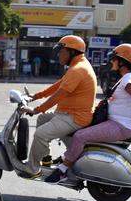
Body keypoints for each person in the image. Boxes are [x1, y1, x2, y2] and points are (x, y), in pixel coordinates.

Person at [45, 44, 131, 183]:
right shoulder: (129, 77)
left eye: (114, 58)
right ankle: (69, 157)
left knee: (80, 136)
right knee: (75, 128)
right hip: (117, 123)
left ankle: (63, 170)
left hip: (121, 126)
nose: (111, 61)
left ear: (123, 62)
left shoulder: (129, 78)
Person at [21, 35, 97, 177]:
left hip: (74, 117)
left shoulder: (78, 69)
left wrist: (36, 109)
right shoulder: (77, 66)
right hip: (67, 113)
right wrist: (35, 96)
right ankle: (46, 158)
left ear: (72, 52)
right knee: (42, 120)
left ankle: (33, 170)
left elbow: (58, 95)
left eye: (61, 51)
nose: (58, 55)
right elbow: (58, 86)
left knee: (40, 134)